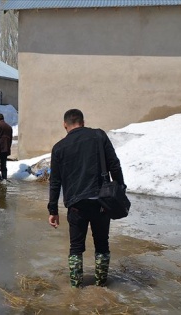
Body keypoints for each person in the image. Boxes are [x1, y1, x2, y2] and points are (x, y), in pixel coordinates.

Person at [47, 109, 125, 287]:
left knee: (75, 248)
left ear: (65, 125)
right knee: (102, 245)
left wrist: (53, 210)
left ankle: (75, 287)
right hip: (102, 202)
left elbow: (55, 182)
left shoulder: (59, 148)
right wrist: (120, 189)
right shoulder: (98, 136)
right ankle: (101, 284)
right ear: (82, 122)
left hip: (76, 205)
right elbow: (114, 164)